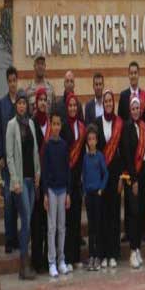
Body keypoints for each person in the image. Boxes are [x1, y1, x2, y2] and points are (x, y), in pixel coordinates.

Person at [5, 89, 40, 280]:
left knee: (27, 221)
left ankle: (23, 266)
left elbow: (34, 151)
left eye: (24, 103)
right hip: (19, 183)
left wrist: (37, 173)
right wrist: (14, 180)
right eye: (19, 102)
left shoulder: (31, 124)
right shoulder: (11, 125)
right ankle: (23, 265)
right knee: (25, 219)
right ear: (15, 105)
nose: (21, 106)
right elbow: (9, 156)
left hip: (30, 181)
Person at [118, 62, 145, 243]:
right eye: (131, 73)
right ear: (128, 75)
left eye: (136, 72)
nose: (133, 75)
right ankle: (128, 231)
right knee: (129, 199)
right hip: (128, 151)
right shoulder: (123, 96)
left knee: (142, 197)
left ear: (139, 74)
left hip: (142, 149)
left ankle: (142, 230)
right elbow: (121, 122)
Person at [96, 89, 124, 269]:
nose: (108, 104)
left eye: (110, 101)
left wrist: (122, 177)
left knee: (114, 216)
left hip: (115, 176)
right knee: (103, 216)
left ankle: (114, 253)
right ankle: (104, 253)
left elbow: (122, 151)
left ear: (113, 103)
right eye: (105, 101)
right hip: (101, 176)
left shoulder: (119, 123)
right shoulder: (97, 123)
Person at [121, 97, 145, 269]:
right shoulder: (126, 128)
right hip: (131, 178)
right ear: (129, 111)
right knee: (132, 213)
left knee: (141, 213)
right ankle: (132, 250)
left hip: (143, 177)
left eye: (138, 108)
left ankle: (138, 247)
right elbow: (126, 155)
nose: (135, 110)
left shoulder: (144, 127)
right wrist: (134, 179)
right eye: (133, 108)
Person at [42, 112, 71, 278]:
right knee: (51, 227)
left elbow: (68, 169)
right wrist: (45, 193)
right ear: (50, 126)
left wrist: (68, 192)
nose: (56, 127)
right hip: (52, 191)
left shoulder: (64, 145)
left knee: (62, 227)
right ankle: (51, 262)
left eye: (58, 124)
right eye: (53, 124)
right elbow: (45, 171)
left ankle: (61, 260)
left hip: (62, 191)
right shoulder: (47, 147)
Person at [0, 65, 20, 254]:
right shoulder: (1, 105)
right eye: (10, 81)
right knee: (8, 202)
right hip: (6, 162)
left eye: (15, 80)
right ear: (7, 82)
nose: (13, 84)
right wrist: (0, 156)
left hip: (19, 162)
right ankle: (9, 240)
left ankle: (17, 238)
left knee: (18, 201)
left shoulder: (20, 104)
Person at [61, 94, 85, 270]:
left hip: (79, 179)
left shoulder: (82, 127)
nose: (72, 108)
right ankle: (67, 258)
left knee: (77, 218)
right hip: (66, 177)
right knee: (67, 221)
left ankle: (76, 257)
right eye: (70, 106)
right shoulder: (62, 127)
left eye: (75, 106)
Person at [82, 124, 108, 271]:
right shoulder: (85, 158)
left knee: (98, 226)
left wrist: (101, 189)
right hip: (89, 195)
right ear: (87, 141)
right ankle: (91, 255)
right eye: (89, 139)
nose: (91, 141)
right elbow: (84, 176)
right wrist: (85, 190)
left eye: (93, 139)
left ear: (97, 141)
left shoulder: (100, 156)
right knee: (91, 227)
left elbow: (106, 174)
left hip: (97, 195)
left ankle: (98, 255)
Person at [30, 88, 50, 273]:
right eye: (40, 99)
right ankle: (35, 261)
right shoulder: (32, 123)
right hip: (36, 179)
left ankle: (46, 259)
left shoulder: (52, 124)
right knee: (36, 223)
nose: (43, 102)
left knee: (47, 222)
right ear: (36, 103)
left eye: (45, 99)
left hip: (48, 180)